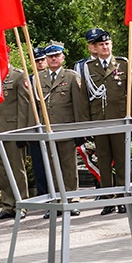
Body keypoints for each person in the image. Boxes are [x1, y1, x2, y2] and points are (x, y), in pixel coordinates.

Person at [77, 28, 132, 215]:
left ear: (112, 45)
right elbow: (85, 98)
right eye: (101, 44)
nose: (105, 47)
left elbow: (131, 95)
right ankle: (108, 198)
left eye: (107, 44)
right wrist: (86, 125)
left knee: (121, 160)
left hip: (119, 121)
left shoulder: (123, 64)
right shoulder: (89, 67)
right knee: (103, 161)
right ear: (95, 47)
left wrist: (131, 121)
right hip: (99, 121)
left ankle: (123, 198)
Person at [40, 41, 82, 207]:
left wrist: (79, 131)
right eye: (50, 57)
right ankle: (57, 199)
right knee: (51, 165)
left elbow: (78, 105)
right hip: (48, 129)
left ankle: (73, 198)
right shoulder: (39, 78)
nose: (53, 59)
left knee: (68, 165)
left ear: (63, 57)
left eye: (57, 56)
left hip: (66, 128)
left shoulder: (71, 77)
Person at [0, 65, 31, 220]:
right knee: (2, 171)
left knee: (16, 169)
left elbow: (24, 105)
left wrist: (22, 132)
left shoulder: (18, 76)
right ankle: (8, 205)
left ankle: (22, 204)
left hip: (12, 130)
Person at [27, 46, 50, 197]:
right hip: (36, 127)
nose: (40, 63)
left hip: (55, 125)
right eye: (36, 61)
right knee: (39, 165)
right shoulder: (28, 81)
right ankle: (44, 194)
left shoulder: (58, 76)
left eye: (42, 60)